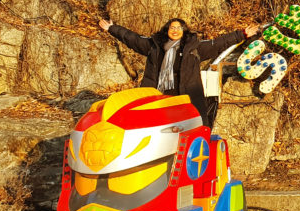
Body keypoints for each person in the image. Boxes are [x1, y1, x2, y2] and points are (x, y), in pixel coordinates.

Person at [99, 17, 260, 128]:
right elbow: (132, 38)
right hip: (158, 96)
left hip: (185, 97)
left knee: (186, 130)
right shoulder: (154, 46)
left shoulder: (194, 48)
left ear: (184, 31)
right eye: (172, 27)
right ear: (166, 30)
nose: (175, 30)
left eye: (179, 28)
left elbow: (218, 43)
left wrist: (242, 34)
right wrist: (112, 28)